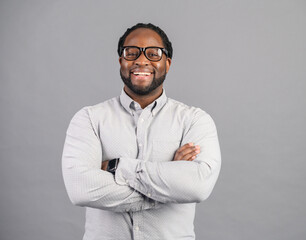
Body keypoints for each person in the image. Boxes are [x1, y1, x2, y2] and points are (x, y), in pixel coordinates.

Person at [62, 23, 221, 240]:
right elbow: (81, 189)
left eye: (153, 54)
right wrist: (168, 186)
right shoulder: (89, 118)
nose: (141, 60)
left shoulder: (194, 120)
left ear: (168, 63)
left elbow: (197, 186)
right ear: (121, 61)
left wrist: (118, 167)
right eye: (132, 53)